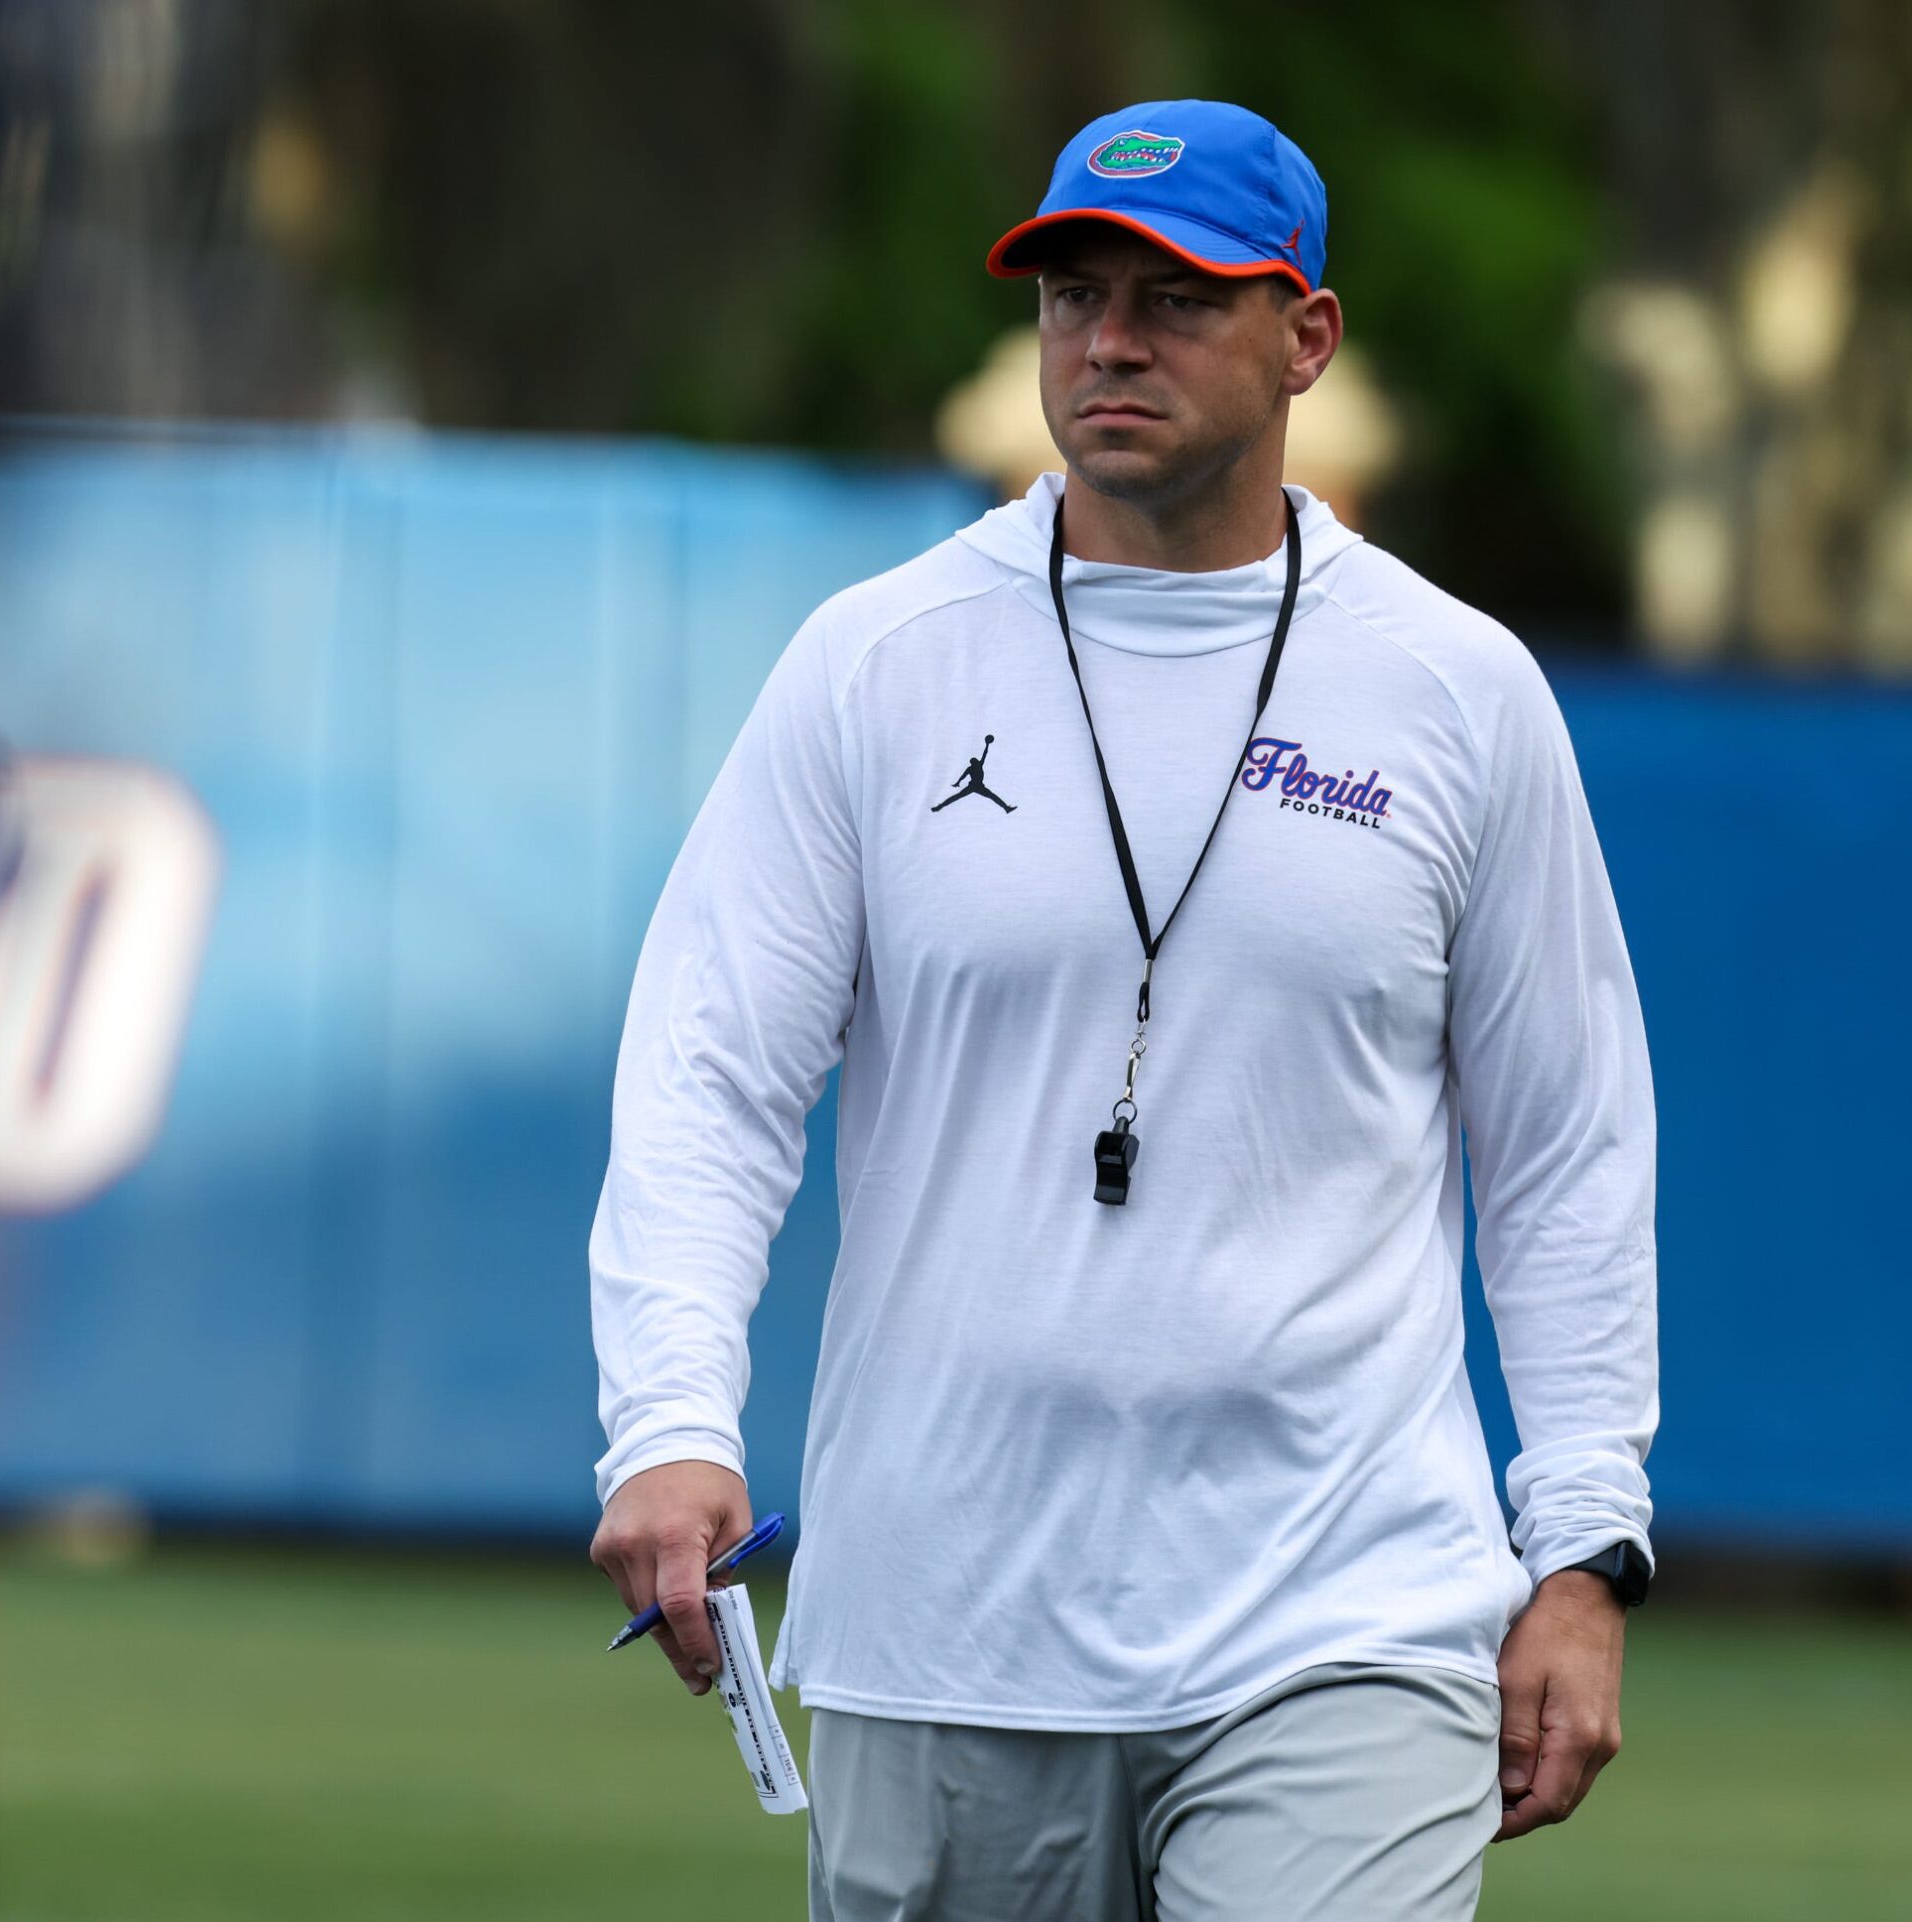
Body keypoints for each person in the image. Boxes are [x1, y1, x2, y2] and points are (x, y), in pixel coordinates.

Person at [589, 98, 1659, 1920]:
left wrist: (1579, 1547)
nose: (1109, 340)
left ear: (1307, 335)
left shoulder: (1458, 692)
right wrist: (669, 1417)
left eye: (1174, 298)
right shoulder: (878, 666)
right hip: (946, 1617)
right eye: (1075, 295)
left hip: (1348, 1608)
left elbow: (1566, 1146)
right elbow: (711, 1070)